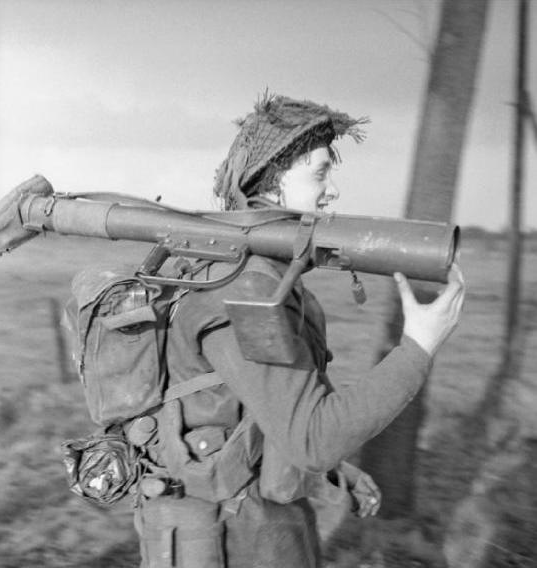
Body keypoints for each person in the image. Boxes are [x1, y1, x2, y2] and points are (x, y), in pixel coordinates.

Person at [131, 93, 465, 568]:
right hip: (227, 542)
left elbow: (278, 416)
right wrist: (418, 349)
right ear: (271, 178)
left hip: (261, 528)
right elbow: (312, 438)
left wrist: (331, 471)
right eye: (320, 172)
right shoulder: (238, 290)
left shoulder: (267, 279)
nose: (332, 191)